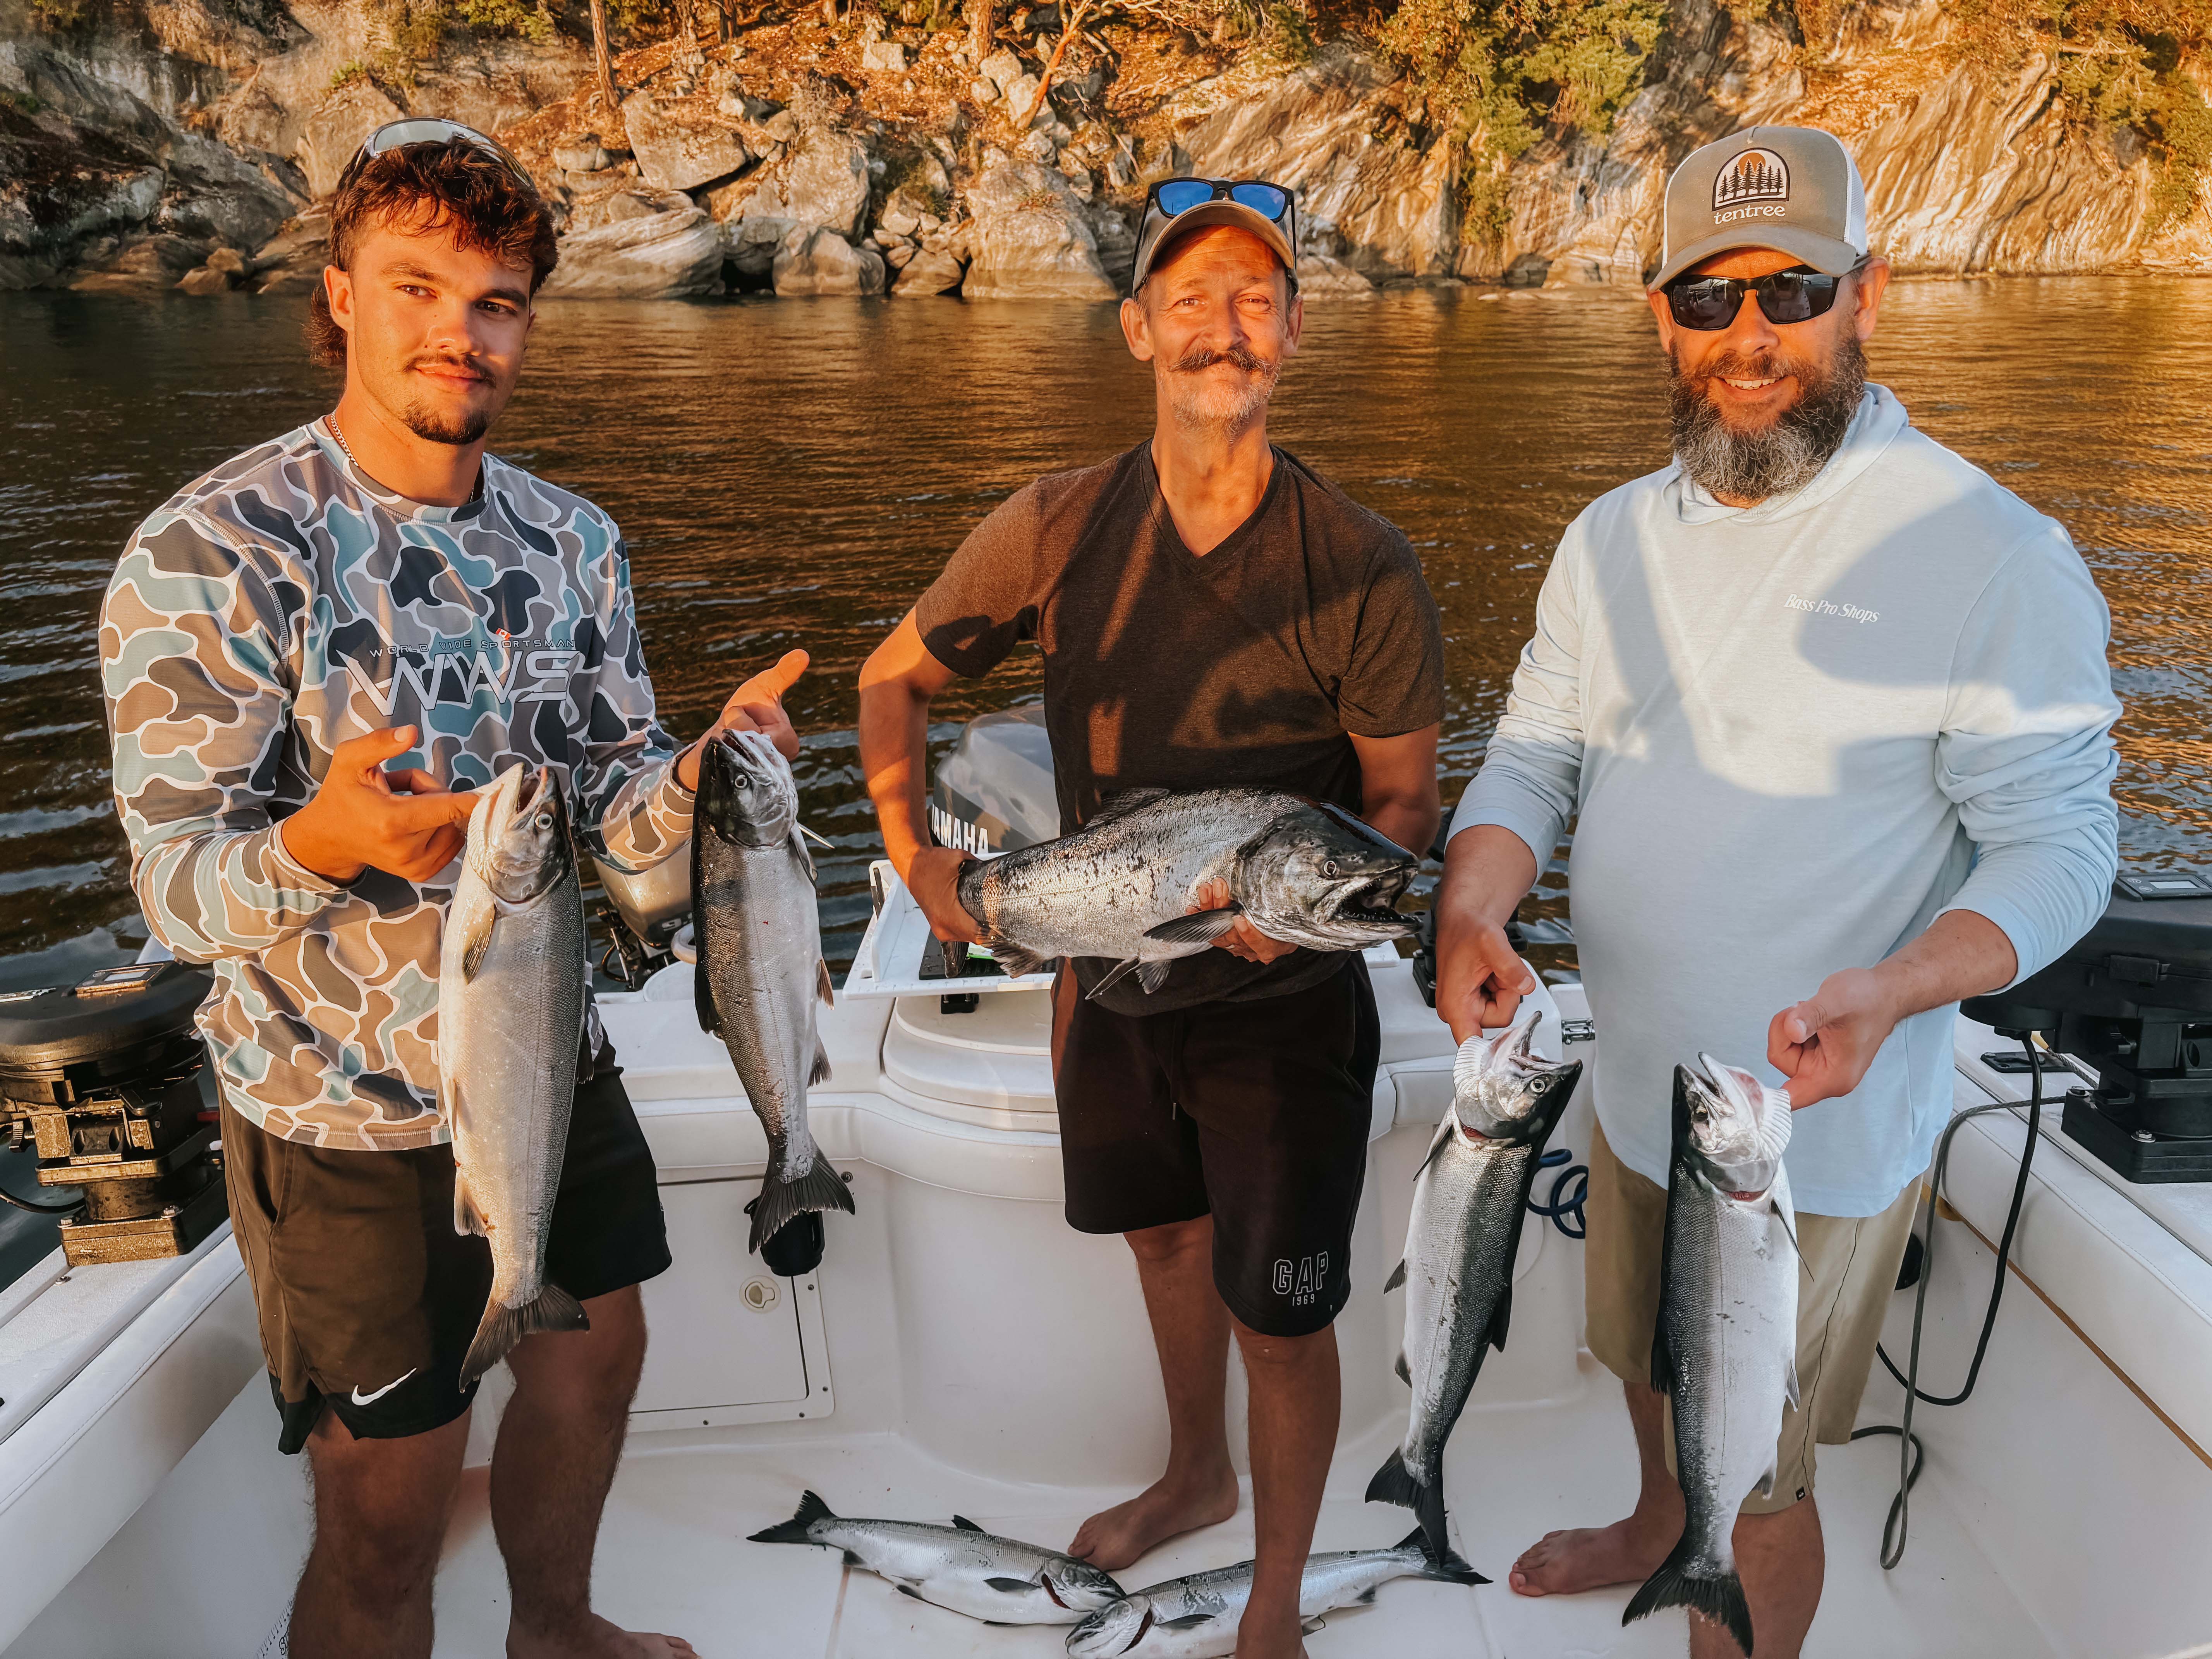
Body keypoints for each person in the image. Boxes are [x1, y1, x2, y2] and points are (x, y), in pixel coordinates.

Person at [100, 122, 807, 1659]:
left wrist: (699, 788)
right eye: (417, 285)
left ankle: (554, 1630)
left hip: (550, 1051)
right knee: (388, 1511)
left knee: (592, 1358)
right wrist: (323, 844)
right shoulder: (212, 552)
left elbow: (624, 843)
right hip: (338, 1113)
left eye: (495, 301)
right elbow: (172, 901)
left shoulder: (574, 546)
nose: (458, 330)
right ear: (341, 294)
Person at [1433, 125, 2120, 1659]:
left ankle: (1715, 1563)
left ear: (1865, 294)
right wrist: (1474, 908)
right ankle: (1646, 1521)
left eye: (1791, 289)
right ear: (1657, 315)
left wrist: (1900, 989)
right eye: (1708, 294)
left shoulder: (1994, 554)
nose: (1748, 335)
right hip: (1627, 1075)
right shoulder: (1609, 538)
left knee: (1757, 1478)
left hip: (1809, 1131)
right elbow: (1534, 760)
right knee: (1637, 1348)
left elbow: (2064, 852)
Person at [855, 180, 1444, 1657]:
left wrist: (1283, 910)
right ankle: (1196, 1470)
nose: (1221, 328)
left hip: (1284, 998)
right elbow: (891, 681)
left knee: (1281, 1315)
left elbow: (1404, 807)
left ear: (1296, 331)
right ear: (1136, 330)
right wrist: (917, 855)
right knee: (1166, 1247)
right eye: (1191, 298)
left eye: (1255, 299)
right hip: (1107, 981)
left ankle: (1271, 1602)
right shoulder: (1056, 523)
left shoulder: (1362, 562)